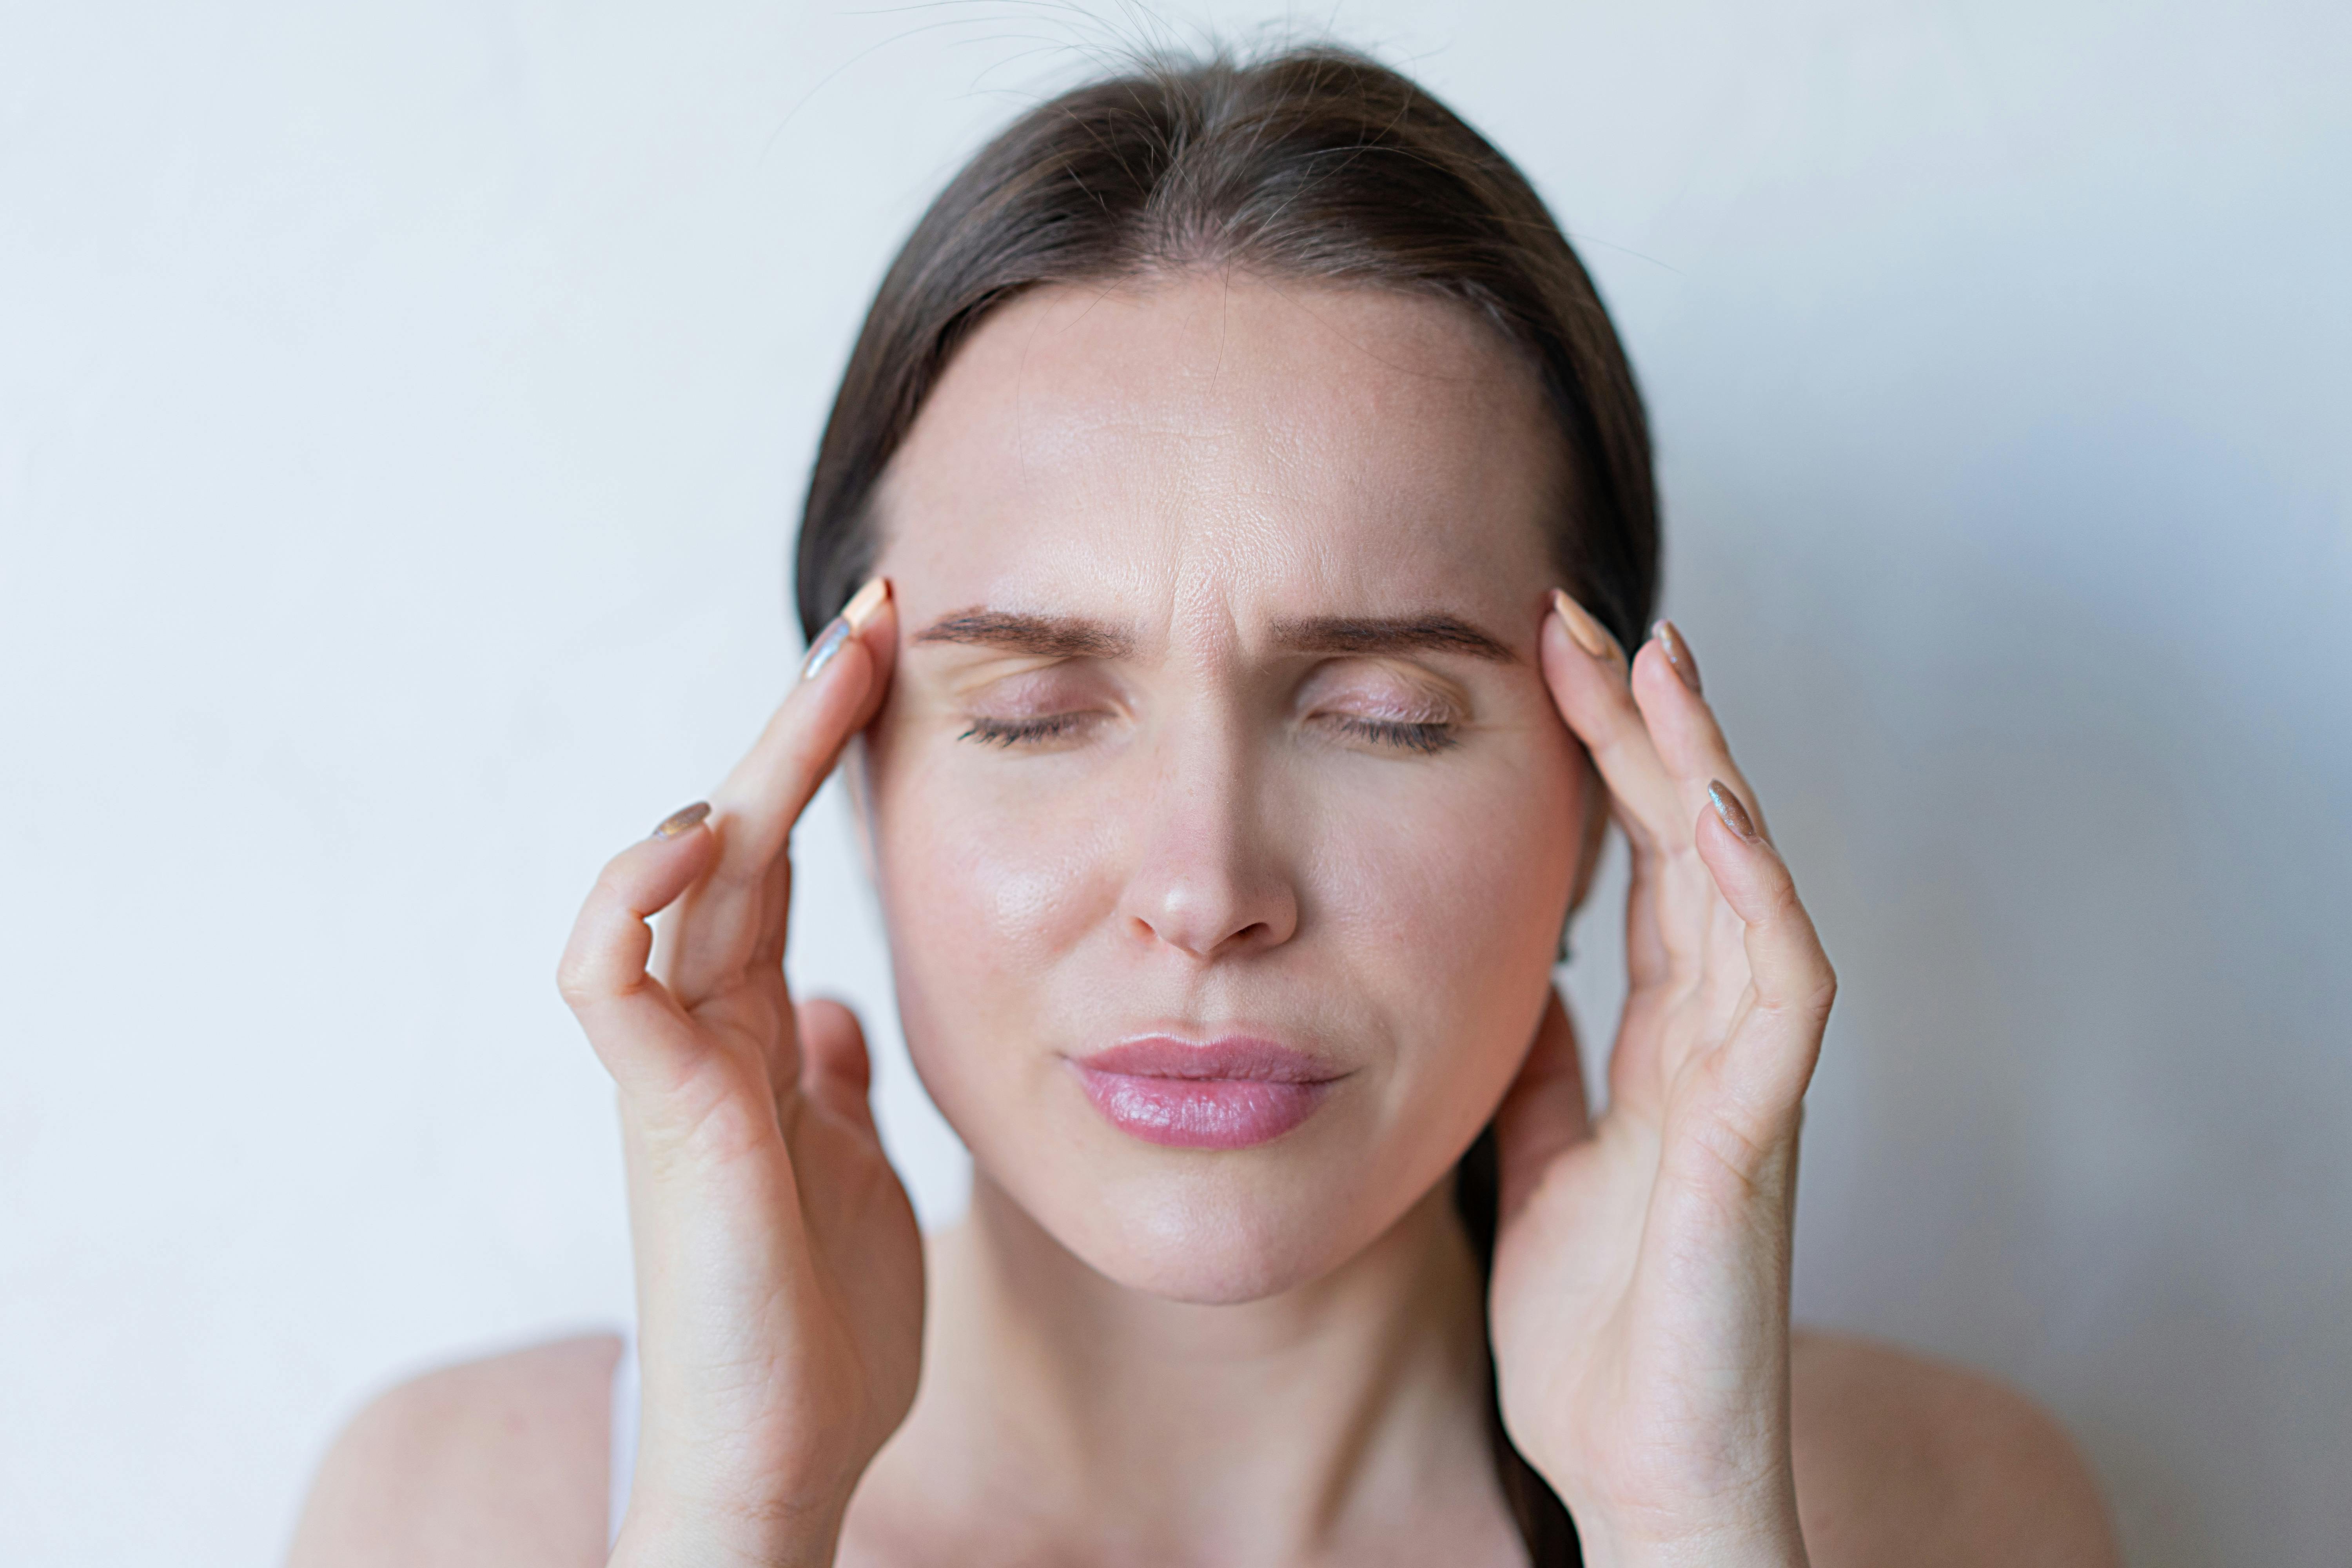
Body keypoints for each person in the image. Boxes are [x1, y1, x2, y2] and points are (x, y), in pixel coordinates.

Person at [289, 46, 2121, 1567]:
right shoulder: (474, 1508)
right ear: (849, 796)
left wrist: (1685, 1515)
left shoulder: (1944, 1510)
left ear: (1605, 813)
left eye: (1387, 716)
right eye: (1034, 715)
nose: (1203, 885)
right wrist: (735, 1513)